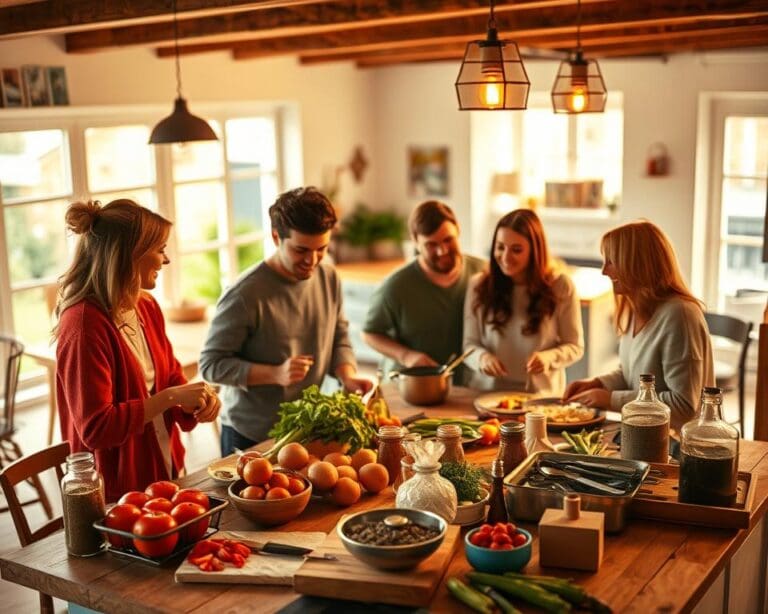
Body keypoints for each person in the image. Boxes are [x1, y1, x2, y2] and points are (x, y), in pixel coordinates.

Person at [54, 199, 221, 502]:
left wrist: (195, 401)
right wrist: (170, 398)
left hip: (164, 470)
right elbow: (96, 428)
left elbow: (169, 376)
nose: (165, 260)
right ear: (129, 256)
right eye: (159, 249)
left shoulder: (144, 305)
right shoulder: (82, 326)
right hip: (115, 493)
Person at [199, 187, 372, 455]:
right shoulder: (245, 294)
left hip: (306, 428)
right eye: (301, 250)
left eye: (321, 249)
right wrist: (275, 374)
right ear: (276, 236)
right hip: (251, 436)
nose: (311, 260)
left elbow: (338, 333)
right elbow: (211, 365)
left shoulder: (328, 275)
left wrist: (346, 375)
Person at [563, 220, 714, 430]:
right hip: (644, 438)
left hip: (680, 449)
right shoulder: (636, 310)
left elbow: (684, 408)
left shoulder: (680, 314)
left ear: (636, 264)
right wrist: (599, 384)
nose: (604, 271)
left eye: (611, 261)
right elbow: (633, 374)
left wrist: (611, 399)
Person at [362, 200, 485, 384]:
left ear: (458, 230)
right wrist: (406, 356)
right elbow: (370, 333)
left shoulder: (484, 272)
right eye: (431, 244)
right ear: (415, 242)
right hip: (409, 388)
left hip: (464, 387)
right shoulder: (396, 285)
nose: (442, 251)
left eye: (448, 240)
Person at [463, 209, 584, 395]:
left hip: (540, 397)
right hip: (487, 394)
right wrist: (482, 358)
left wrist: (548, 358)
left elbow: (575, 346)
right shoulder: (478, 285)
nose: (505, 257)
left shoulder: (560, 286)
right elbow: (469, 345)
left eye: (516, 250)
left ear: (535, 251)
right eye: (500, 247)